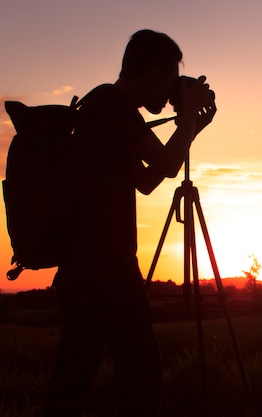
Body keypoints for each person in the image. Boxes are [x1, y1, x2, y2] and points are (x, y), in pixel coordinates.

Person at [44, 29, 216, 417]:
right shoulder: (112, 104)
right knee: (140, 374)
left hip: (89, 268)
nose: (171, 90)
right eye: (171, 79)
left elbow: (147, 181)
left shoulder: (106, 106)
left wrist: (192, 126)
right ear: (156, 71)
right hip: (104, 269)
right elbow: (167, 167)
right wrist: (187, 112)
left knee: (75, 381)